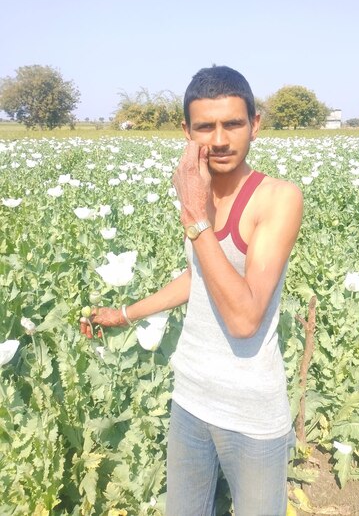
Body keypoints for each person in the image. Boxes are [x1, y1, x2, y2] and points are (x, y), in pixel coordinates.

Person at [80, 65, 303, 516]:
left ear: (254, 124)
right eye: (205, 127)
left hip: (251, 413)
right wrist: (124, 313)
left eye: (232, 123)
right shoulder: (195, 194)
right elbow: (200, 277)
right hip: (190, 400)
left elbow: (244, 318)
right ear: (186, 131)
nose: (219, 140)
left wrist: (197, 219)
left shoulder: (278, 198)